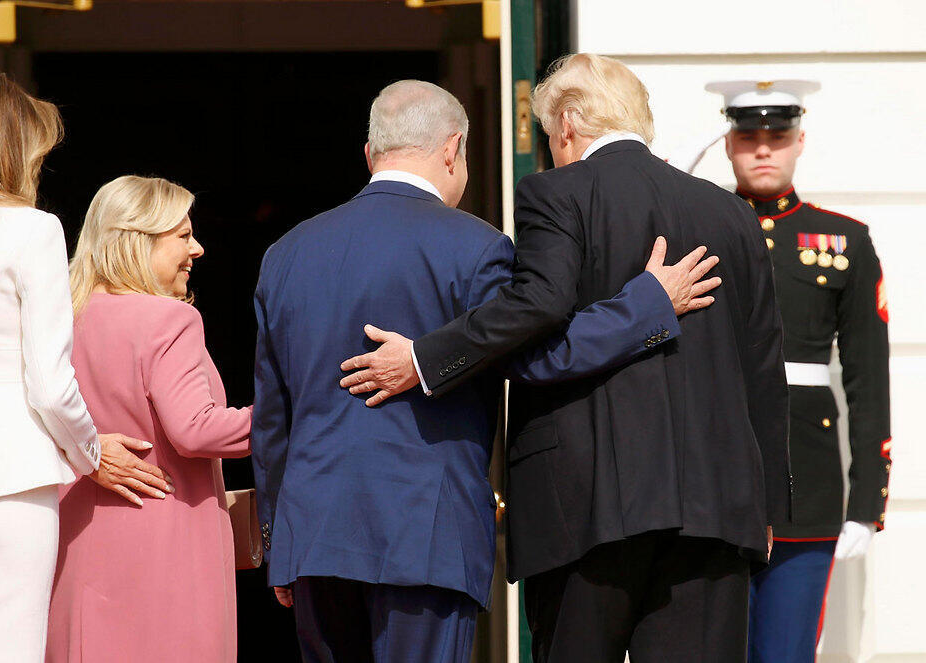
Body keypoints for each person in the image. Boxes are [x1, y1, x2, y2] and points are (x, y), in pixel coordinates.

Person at [252, 79, 720, 663]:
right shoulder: (475, 247)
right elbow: (540, 353)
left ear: (370, 154)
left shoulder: (286, 253)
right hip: (425, 539)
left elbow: (271, 420)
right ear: (453, 149)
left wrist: (277, 538)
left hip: (313, 539)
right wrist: (646, 305)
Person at [343, 56, 792, 662]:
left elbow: (536, 311)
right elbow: (764, 366)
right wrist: (764, 507)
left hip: (587, 506)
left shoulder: (556, 192)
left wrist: (427, 356)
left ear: (569, 124)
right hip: (717, 510)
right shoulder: (732, 212)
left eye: (550, 135)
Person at [0, 69, 173, 663]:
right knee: (8, 645)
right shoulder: (31, 229)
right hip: (9, 480)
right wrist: (90, 453)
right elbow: (50, 385)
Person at [696, 79, 891, 662]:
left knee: (786, 652)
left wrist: (867, 503)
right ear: (728, 144)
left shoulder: (845, 241)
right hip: (712, 478)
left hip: (807, 481)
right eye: (748, 136)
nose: (763, 149)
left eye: (777, 137)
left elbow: (867, 378)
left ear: (799, 141)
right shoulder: (695, 229)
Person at [45, 176, 252, 663]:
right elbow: (195, 428)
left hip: (74, 544)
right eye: (183, 236)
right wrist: (288, 418)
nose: (197, 249)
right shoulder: (170, 319)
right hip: (166, 546)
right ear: (138, 241)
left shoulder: (61, 317)